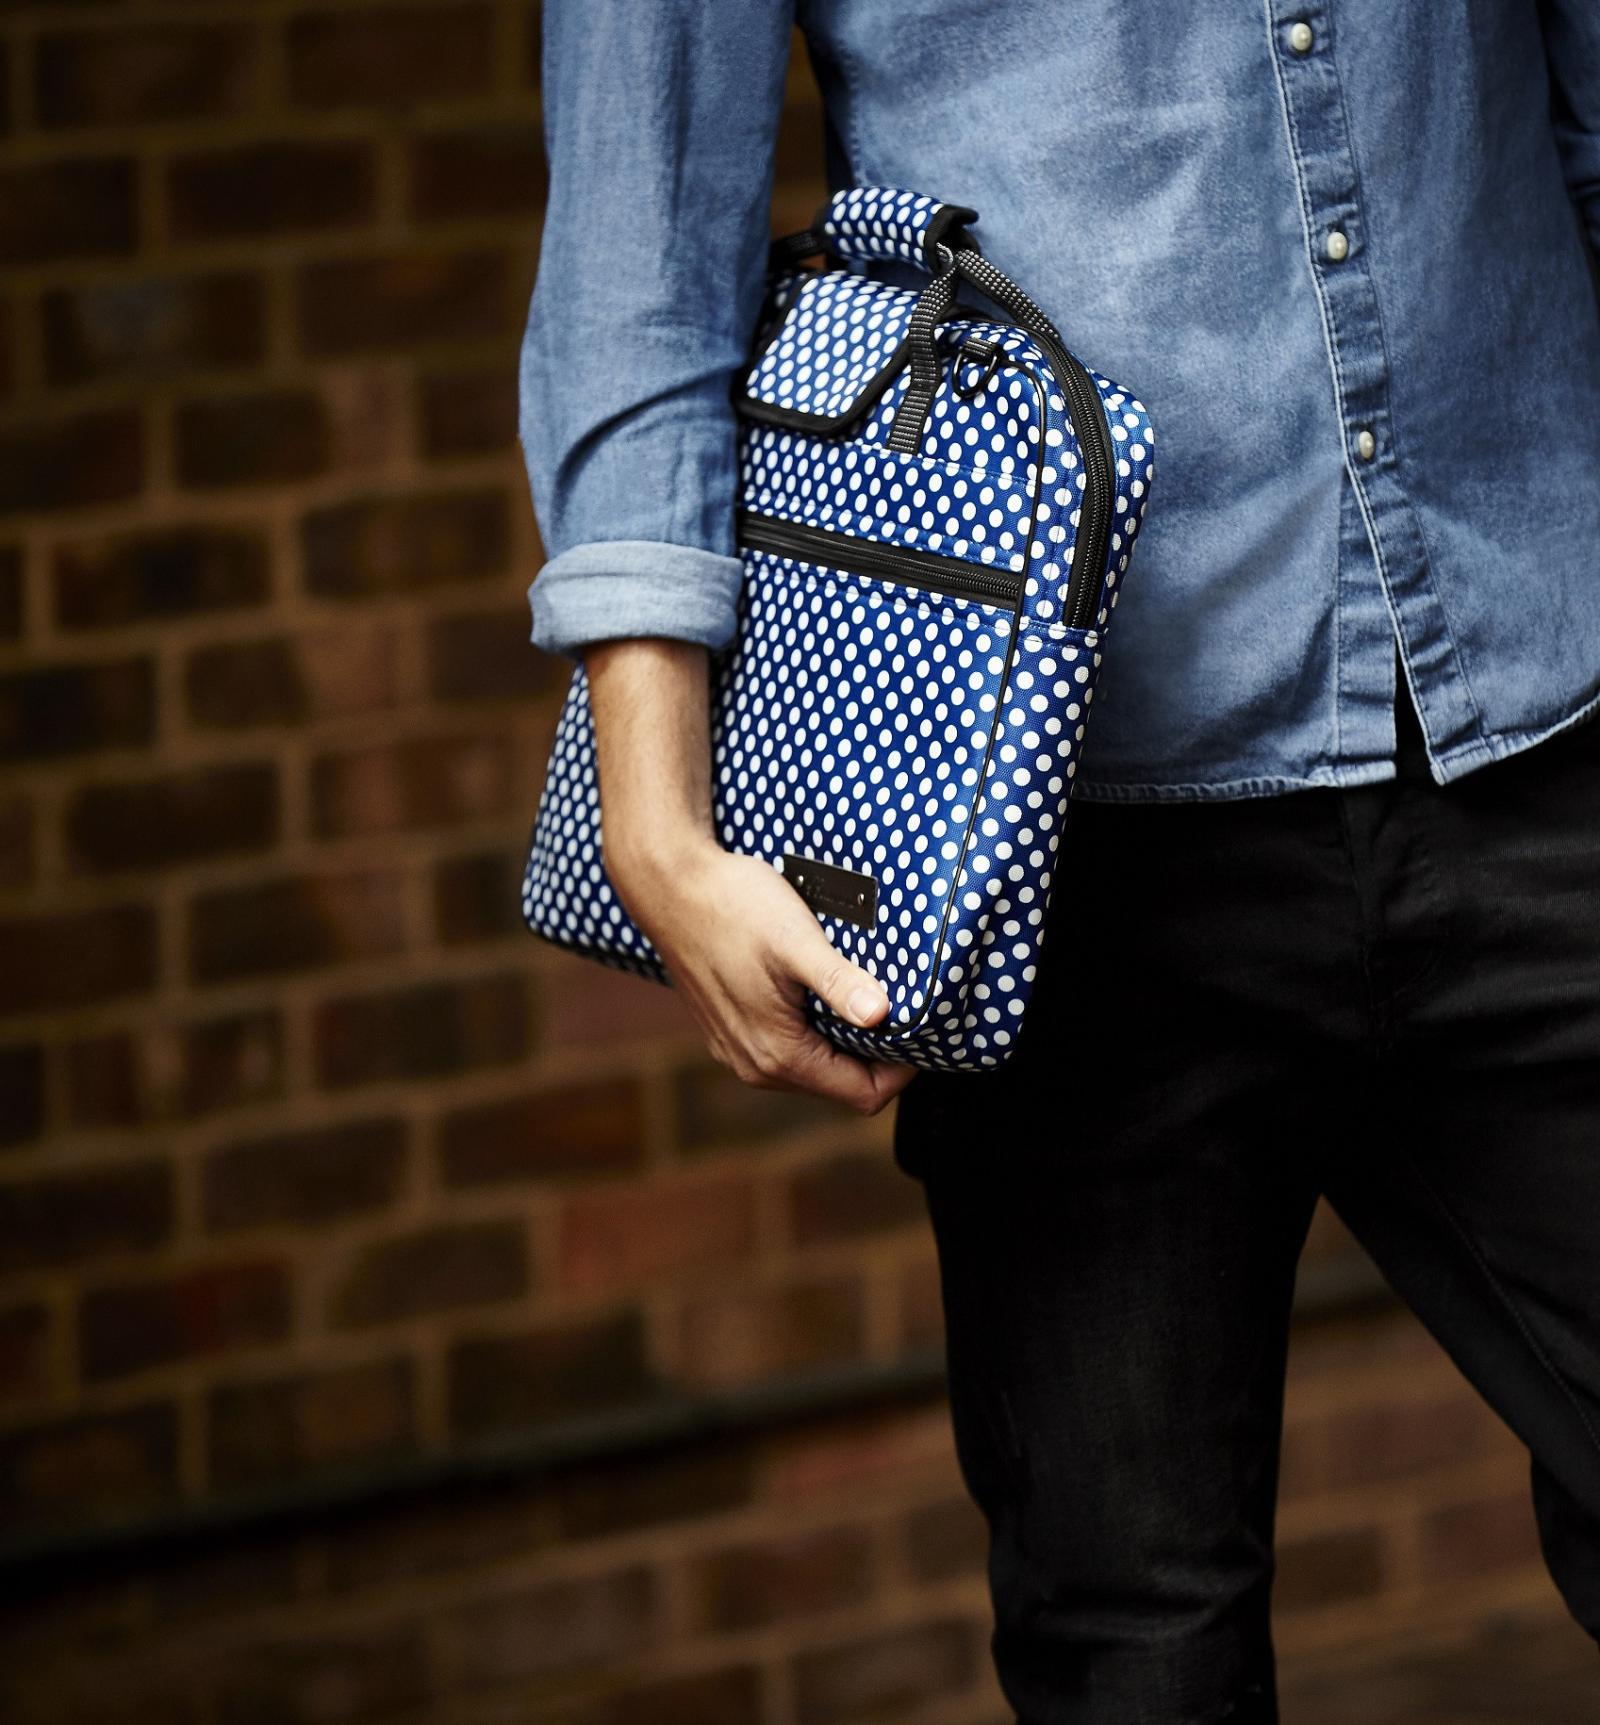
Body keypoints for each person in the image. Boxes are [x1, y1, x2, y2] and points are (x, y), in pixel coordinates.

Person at [521, 5, 1600, 1720]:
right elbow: (645, 250)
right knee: (1135, 1655)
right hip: (1056, 837)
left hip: (1536, 712)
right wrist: (654, 830)